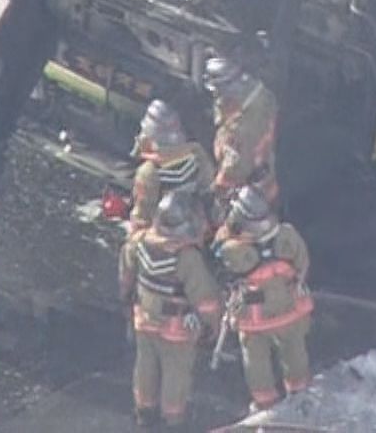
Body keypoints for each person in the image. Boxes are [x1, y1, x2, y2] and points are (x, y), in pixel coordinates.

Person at [120, 190, 222, 430]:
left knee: (145, 366)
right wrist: (211, 326)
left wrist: (127, 302)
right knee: (175, 374)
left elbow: (126, 277)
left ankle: (144, 412)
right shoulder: (188, 258)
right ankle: (173, 420)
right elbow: (205, 299)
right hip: (176, 330)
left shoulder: (138, 242)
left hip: (144, 320)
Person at [213, 187, 313, 414]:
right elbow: (302, 261)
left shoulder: (233, 250)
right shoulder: (287, 235)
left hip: (254, 319)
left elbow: (219, 260)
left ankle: (265, 405)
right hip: (289, 309)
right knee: (294, 352)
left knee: (257, 363)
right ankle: (300, 394)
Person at [202, 54, 279, 217]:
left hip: (247, 187)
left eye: (217, 90)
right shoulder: (258, 94)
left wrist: (214, 191)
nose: (215, 95)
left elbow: (234, 169)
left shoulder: (241, 131)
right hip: (262, 171)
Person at [128, 99, 216, 233]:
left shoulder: (149, 172)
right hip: (198, 222)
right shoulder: (195, 151)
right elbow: (209, 183)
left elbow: (143, 216)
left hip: (167, 231)